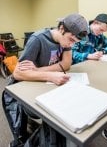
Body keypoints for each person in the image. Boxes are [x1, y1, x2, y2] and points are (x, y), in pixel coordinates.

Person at [2, 13, 88, 147]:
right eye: (71, 39)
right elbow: (18, 74)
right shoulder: (37, 39)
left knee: (68, 110)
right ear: (61, 29)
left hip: (44, 84)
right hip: (24, 90)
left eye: (75, 42)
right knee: (56, 117)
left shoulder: (66, 39)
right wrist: (51, 75)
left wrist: (37, 70)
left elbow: (66, 64)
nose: (71, 44)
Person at [72, 13, 107, 147]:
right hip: (76, 72)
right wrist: (88, 55)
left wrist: (102, 51)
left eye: (103, 32)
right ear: (95, 23)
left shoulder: (99, 36)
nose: (101, 34)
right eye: (101, 30)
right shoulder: (80, 33)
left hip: (93, 71)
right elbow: (70, 54)